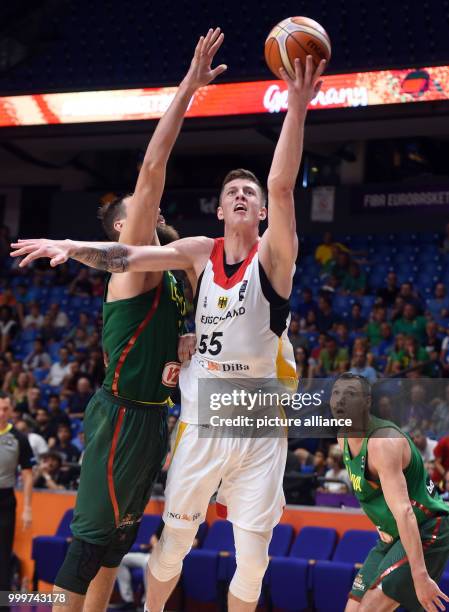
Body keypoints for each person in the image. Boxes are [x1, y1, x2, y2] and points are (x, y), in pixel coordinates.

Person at [11, 54, 326, 612]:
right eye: (232, 190)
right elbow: (132, 237)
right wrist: (70, 247)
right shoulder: (184, 256)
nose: (241, 194)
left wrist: (296, 107)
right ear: (220, 207)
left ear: (256, 214)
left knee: (148, 551)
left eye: (247, 193)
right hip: (160, 418)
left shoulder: (241, 263)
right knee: (134, 544)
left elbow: (280, 186)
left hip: (215, 419)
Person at [10, 29, 225, 612]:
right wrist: (189, 87)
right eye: (141, 211)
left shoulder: (175, 277)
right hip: (122, 419)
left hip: (153, 418)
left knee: (114, 547)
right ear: (124, 230)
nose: (153, 210)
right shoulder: (134, 270)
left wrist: (183, 352)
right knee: (87, 546)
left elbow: (172, 344)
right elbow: (154, 164)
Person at [330, 373, 449, 612]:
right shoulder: (343, 438)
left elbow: (405, 511)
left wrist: (420, 576)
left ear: (367, 402)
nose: (340, 400)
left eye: (350, 394)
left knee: (369, 609)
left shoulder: (383, 442)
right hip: (391, 536)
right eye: (336, 393)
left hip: (425, 528)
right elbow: (371, 493)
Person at [0, 392, 33, 605]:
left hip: (5, 501)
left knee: (3, 556)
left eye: (5, 409)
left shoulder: (19, 438)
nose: (1, 413)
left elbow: (28, 474)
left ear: (11, 410)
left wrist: (28, 508)